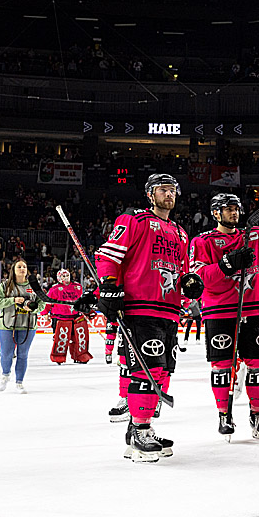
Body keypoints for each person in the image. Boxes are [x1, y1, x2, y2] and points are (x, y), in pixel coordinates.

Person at [90, 173, 197, 462]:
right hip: (141, 307)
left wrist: (190, 284)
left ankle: (139, 428)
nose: (169, 194)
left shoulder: (181, 232)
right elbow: (108, 256)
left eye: (172, 189)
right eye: (163, 189)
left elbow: (183, 270)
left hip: (169, 310)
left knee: (162, 372)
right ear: (150, 194)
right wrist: (110, 287)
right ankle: (140, 431)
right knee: (146, 370)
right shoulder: (134, 221)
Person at [189, 191, 259, 442]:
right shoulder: (202, 241)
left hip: (252, 309)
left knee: (258, 363)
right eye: (228, 208)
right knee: (222, 366)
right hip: (219, 310)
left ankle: (257, 415)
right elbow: (200, 279)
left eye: (236, 208)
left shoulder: (254, 236)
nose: (234, 212)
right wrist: (227, 264)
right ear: (215, 213)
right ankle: (223, 414)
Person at [0, 259, 45, 393]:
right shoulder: (5, 286)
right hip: (7, 325)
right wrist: (13, 300)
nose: (22, 269)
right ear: (13, 270)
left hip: (28, 325)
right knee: (6, 353)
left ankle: (19, 382)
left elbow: (42, 304)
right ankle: (5, 376)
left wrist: (32, 308)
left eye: (24, 267)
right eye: (19, 266)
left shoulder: (34, 286)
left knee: (23, 354)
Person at [43, 268, 93, 364]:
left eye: (67, 276)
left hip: (75, 317)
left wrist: (87, 311)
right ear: (59, 278)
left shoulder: (78, 287)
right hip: (59, 317)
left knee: (78, 338)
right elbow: (48, 303)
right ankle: (58, 357)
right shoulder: (54, 289)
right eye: (63, 276)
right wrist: (45, 313)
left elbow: (82, 301)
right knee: (61, 338)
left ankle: (80, 356)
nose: (66, 278)